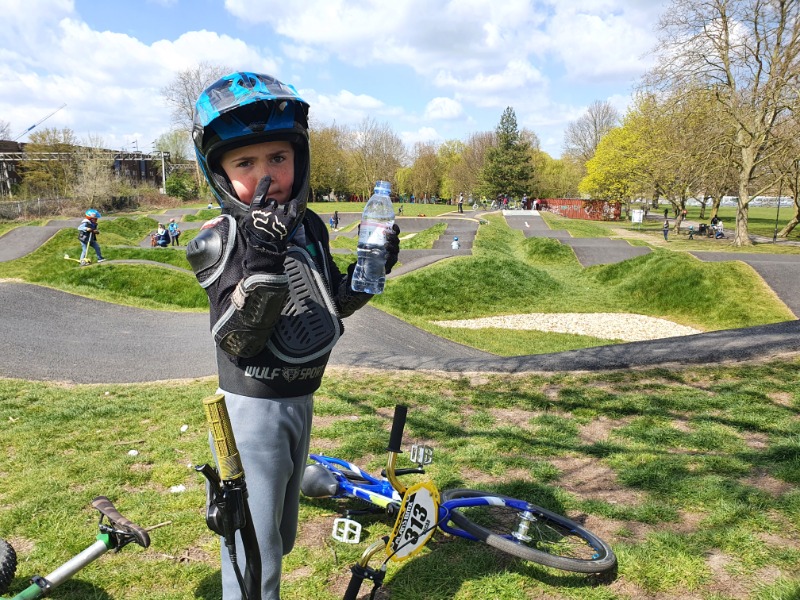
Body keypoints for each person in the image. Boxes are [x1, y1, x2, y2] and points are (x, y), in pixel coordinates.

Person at [187, 71, 400, 600]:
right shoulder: (219, 240)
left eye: (278, 158)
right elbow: (236, 337)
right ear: (219, 172)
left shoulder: (309, 228)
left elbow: (327, 307)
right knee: (252, 548)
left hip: (301, 396)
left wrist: (368, 276)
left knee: (280, 535)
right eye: (245, 163)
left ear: (299, 158)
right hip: (251, 405)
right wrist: (260, 260)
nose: (266, 175)